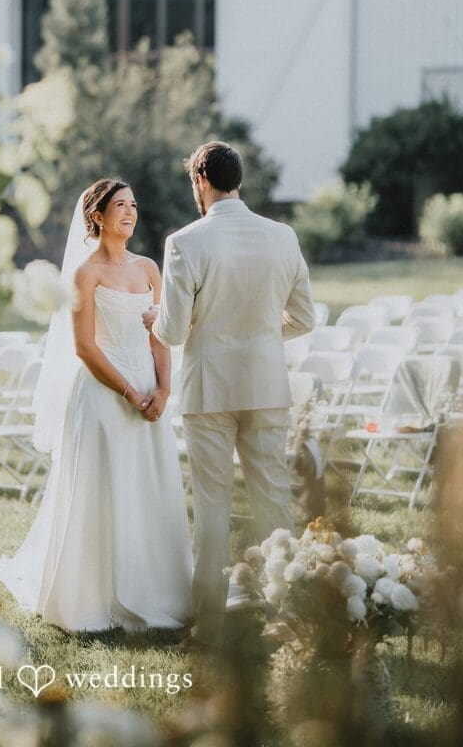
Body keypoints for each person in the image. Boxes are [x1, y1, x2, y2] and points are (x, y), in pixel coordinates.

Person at [0, 178, 193, 632]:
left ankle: (156, 586)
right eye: (120, 205)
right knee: (103, 488)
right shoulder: (86, 274)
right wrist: (131, 393)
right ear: (96, 216)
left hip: (150, 391)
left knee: (148, 488)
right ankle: (92, 594)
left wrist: (163, 390)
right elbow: (85, 347)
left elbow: (163, 335)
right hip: (102, 394)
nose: (130, 213)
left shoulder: (150, 269)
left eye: (134, 205)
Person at [143, 142, 315, 648]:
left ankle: (210, 629)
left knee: (213, 510)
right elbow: (304, 317)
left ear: (200, 181)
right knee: (274, 504)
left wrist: (155, 320)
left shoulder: (184, 242)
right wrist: (260, 334)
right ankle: (289, 619)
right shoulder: (282, 236)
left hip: (210, 392)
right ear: (237, 179)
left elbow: (172, 333)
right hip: (266, 386)